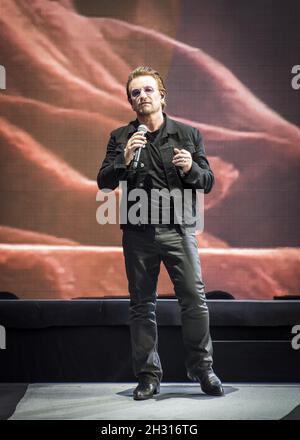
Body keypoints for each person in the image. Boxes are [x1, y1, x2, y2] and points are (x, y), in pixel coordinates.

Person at [97, 66, 224, 400]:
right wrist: (123, 160)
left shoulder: (188, 134)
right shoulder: (120, 137)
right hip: (138, 234)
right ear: (130, 101)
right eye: (135, 93)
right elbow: (103, 181)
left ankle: (203, 369)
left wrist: (190, 168)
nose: (142, 96)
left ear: (162, 95)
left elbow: (208, 181)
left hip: (179, 230)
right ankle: (148, 377)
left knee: (195, 301)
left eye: (148, 90)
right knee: (142, 305)